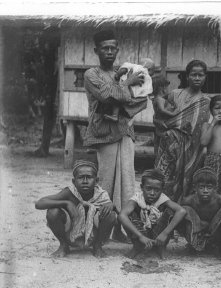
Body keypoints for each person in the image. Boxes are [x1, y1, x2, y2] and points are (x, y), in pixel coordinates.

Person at [84, 30, 147, 242]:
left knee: (127, 182)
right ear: (97, 51)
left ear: (117, 50)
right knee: (105, 181)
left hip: (125, 131)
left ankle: (121, 229)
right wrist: (126, 85)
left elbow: (140, 100)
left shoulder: (125, 72)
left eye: (113, 48)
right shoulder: (92, 74)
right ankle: (97, 230)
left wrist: (125, 92)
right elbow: (106, 96)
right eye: (105, 48)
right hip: (104, 132)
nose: (109, 52)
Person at [35, 160, 116, 258]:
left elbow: (115, 213)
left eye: (89, 177)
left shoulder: (101, 195)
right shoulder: (69, 193)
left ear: (96, 180)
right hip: (69, 236)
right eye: (81, 177)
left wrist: (111, 205)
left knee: (110, 214)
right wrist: (66, 202)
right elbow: (39, 203)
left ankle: (97, 246)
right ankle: (64, 245)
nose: (85, 181)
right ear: (74, 181)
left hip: (93, 236)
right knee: (53, 212)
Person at [155, 60, 210, 202]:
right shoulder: (175, 94)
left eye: (200, 75)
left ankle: (178, 214)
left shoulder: (206, 102)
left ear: (205, 77)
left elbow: (201, 129)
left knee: (185, 184)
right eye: (193, 75)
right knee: (163, 180)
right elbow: (159, 117)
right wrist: (165, 128)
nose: (197, 78)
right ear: (187, 77)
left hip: (191, 150)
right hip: (169, 145)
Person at [118, 169, 186, 259]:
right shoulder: (137, 198)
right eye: (148, 189)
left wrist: (165, 233)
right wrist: (140, 236)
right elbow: (122, 215)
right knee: (128, 215)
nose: (152, 193)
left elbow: (182, 211)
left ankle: (161, 247)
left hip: (158, 234)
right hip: (141, 233)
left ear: (162, 190)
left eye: (157, 190)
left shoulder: (163, 199)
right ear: (142, 187)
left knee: (171, 212)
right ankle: (137, 246)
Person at [178, 167, 221, 255]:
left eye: (209, 187)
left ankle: (219, 245)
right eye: (201, 187)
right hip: (196, 230)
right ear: (194, 187)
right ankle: (193, 244)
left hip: (214, 230)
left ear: (215, 188)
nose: (205, 191)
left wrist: (211, 227)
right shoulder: (188, 201)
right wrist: (198, 225)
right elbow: (180, 222)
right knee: (184, 210)